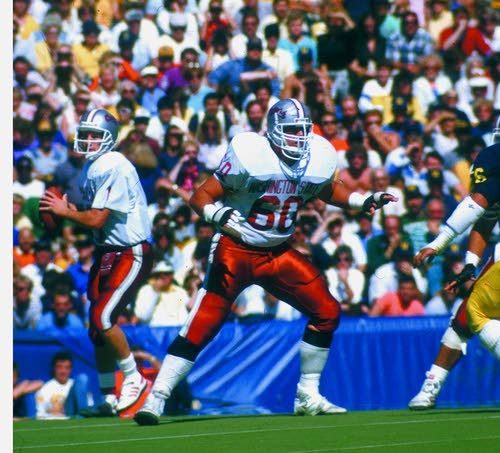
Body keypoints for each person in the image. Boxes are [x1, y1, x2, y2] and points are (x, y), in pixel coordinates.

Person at [134, 98, 397, 425]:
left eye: (303, 131)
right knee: (203, 324)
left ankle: (307, 395)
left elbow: (325, 190)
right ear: (272, 131)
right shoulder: (251, 156)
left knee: (327, 311)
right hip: (237, 247)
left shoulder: (312, 159)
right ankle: (157, 397)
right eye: (290, 131)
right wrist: (217, 214)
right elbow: (200, 195)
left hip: (276, 251)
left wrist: (361, 199)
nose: (298, 139)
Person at [39, 108, 154, 416]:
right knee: (96, 329)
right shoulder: (93, 167)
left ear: (110, 139)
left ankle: (134, 378)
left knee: (104, 317)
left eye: (95, 135)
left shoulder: (113, 164)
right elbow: (94, 218)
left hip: (131, 249)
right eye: (85, 134)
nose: (88, 140)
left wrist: (65, 212)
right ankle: (109, 397)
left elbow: (97, 217)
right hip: (108, 251)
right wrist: (65, 208)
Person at [411, 117, 500, 409]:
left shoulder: (492, 156)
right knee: (463, 319)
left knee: (471, 314)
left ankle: (431, 386)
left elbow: (477, 204)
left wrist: (439, 242)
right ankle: (431, 385)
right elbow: (484, 221)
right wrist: (471, 264)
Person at [35, 351, 90, 419]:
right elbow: (39, 415)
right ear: (54, 368)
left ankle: (84, 417)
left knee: (82, 378)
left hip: (76, 414)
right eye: (59, 367)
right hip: (60, 418)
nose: (63, 371)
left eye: (67, 368)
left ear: (70, 369)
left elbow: (89, 405)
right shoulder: (45, 389)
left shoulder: (77, 386)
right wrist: (52, 413)